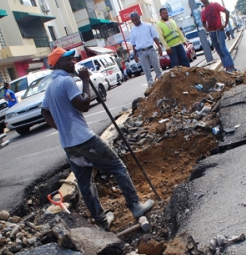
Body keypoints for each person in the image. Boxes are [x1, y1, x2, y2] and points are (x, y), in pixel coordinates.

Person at [40, 47, 154, 230]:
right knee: (118, 167)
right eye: (68, 59)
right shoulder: (66, 82)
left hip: (69, 144)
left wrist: (62, 128)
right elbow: (84, 104)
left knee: (85, 183)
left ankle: (102, 222)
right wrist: (85, 81)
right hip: (84, 140)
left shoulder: (50, 87)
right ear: (58, 63)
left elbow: (44, 112)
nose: (73, 62)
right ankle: (135, 207)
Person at [199, 0, 237, 73]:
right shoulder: (203, 11)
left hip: (219, 30)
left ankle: (231, 66)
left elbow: (227, 11)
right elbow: (203, 22)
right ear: (200, 0)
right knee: (219, 50)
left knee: (223, 48)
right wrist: (206, 28)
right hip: (212, 33)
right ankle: (227, 67)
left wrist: (225, 24)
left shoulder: (215, 5)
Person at [129, 12, 163, 91]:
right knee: (147, 72)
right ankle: (151, 87)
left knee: (157, 68)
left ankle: (162, 84)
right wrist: (135, 55)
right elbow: (133, 44)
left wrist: (159, 47)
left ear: (139, 18)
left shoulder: (148, 26)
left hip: (151, 49)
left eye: (136, 19)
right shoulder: (133, 31)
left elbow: (155, 37)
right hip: (141, 53)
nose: (135, 22)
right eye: (133, 21)